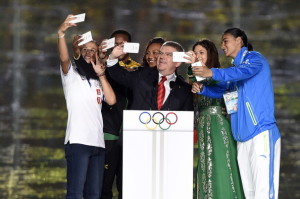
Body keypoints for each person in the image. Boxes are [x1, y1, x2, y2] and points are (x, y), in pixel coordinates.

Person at [192, 28, 281, 199]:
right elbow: (225, 94)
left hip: (260, 131)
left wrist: (211, 72)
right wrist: (204, 89)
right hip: (241, 136)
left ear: (239, 41)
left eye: (225, 40)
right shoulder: (234, 70)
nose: (222, 45)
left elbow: (243, 72)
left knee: (263, 190)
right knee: (249, 191)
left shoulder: (255, 59)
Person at [57, 14, 116, 199]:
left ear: (98, 54)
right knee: (75, 194)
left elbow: (112, 100)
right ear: (80, 51)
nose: (89, 52)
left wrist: (101, 75)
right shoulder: (71, 74)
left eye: (93, 50)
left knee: (94, 194)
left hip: (98, 143)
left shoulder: (98, 79)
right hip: (78, 142)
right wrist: (61, 34)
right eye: (86, 49)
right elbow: (65, 59)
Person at [187, 39, 244, 199]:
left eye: (201, 53)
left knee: (221, 164)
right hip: (203, 125)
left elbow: (222, 92)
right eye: (195, 52)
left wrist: (200, 82)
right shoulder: (197, 77)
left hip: (218, 125)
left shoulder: (219, 74)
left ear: (210, 54)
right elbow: (193, 80)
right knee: (206, 165)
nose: (198, 56)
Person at [98, 30, 141, 199]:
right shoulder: (101, 68)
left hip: (131, 136)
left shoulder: (138, 71)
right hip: (108, 134)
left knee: (127, 187)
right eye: (115, 44)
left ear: (130, 46)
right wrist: (102, 58)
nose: (119, 47)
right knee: (103, 186)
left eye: (123, 44)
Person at [106, 40, 193, 111]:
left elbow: (187, 121)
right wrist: (113, 57)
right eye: (161, 53)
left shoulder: (185, 89)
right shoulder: (141, 75)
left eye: (168, 54)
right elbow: (118, 74)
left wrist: (196, 63)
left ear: (178, 62)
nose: (162, 57)